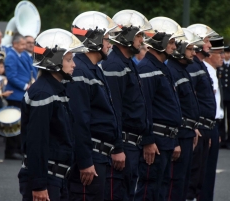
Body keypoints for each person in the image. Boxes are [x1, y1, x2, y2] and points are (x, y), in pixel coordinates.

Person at [18, 28, 88, 201]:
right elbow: (37, 141)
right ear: (54, 61)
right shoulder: (44, 93)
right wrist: (39, 185)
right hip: (47, 179)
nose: (74, 65)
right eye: (69, 59)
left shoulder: (55, 89)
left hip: (56, 177)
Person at [67, 11, 125, 201]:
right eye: (107, 39)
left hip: (100, 156)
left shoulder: (92, 69)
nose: (110, 44)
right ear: (94, 39)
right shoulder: (81, 71)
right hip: (91, 158)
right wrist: (85, 161)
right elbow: (79, 121)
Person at [101, 10, 151, 201]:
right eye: (139, 35)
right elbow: (115, 111)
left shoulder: (127, 62)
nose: (142, 40)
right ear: (127, 36)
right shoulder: (114, 65)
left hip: (132, 145)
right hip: (124, 145)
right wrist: (118, 148)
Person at [135, 17, 184, 201]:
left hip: (166, 141)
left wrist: (175, 139)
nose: (174, 46)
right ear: (160, 42)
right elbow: (144, 106)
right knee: (149, 190)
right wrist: (148, 140)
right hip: (155, 141)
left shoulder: (162, 67)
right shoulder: (147, 67)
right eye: (171, 42)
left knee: (161, 190)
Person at [167, 29, 203, 201]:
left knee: (183, 182)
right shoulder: (173, 71)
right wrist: (175, 141)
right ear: (180, 49)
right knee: (175, 184)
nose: (194, 53)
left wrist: (194, 128)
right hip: (179, 136)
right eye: (190, 49)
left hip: (187, 133)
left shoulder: (182, 69)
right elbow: (171, 109)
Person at [185, 24, 218, 201]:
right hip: (198, 129)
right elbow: (189, 100)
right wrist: (195, 126)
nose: (210, 45)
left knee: (200, 180)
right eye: (206, 41)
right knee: (192, 181)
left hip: (206, 129)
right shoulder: (192, 67)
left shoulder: (199, 65)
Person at [4, 33, 35, 160]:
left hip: (22, 94)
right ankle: (11, 150)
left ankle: (18, 148)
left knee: (21, 124)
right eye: (22, 44)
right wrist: (25, 86)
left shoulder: (22, 55)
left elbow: (29, 71)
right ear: (14, 44)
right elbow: (11, 76)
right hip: (15, 94)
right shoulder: (11, 56)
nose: (24, 46)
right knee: (13, 124)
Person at [201, 36, 225, 201]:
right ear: (210, 54)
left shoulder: (212, 71)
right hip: (207, 125)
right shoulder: (206, 71)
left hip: (214, 124)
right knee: (205, 170)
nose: (223, 56)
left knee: (209, 170)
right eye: (220, 53)